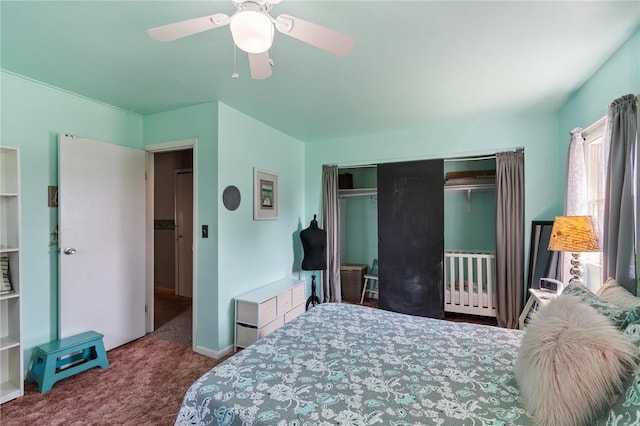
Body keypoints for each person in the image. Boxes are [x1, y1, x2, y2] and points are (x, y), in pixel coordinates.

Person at [300, 215, 326, 309]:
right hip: (308, 263)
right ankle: (311, 302)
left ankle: (316, 301)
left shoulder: (323, 233)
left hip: (321, 262)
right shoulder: (303, 233)